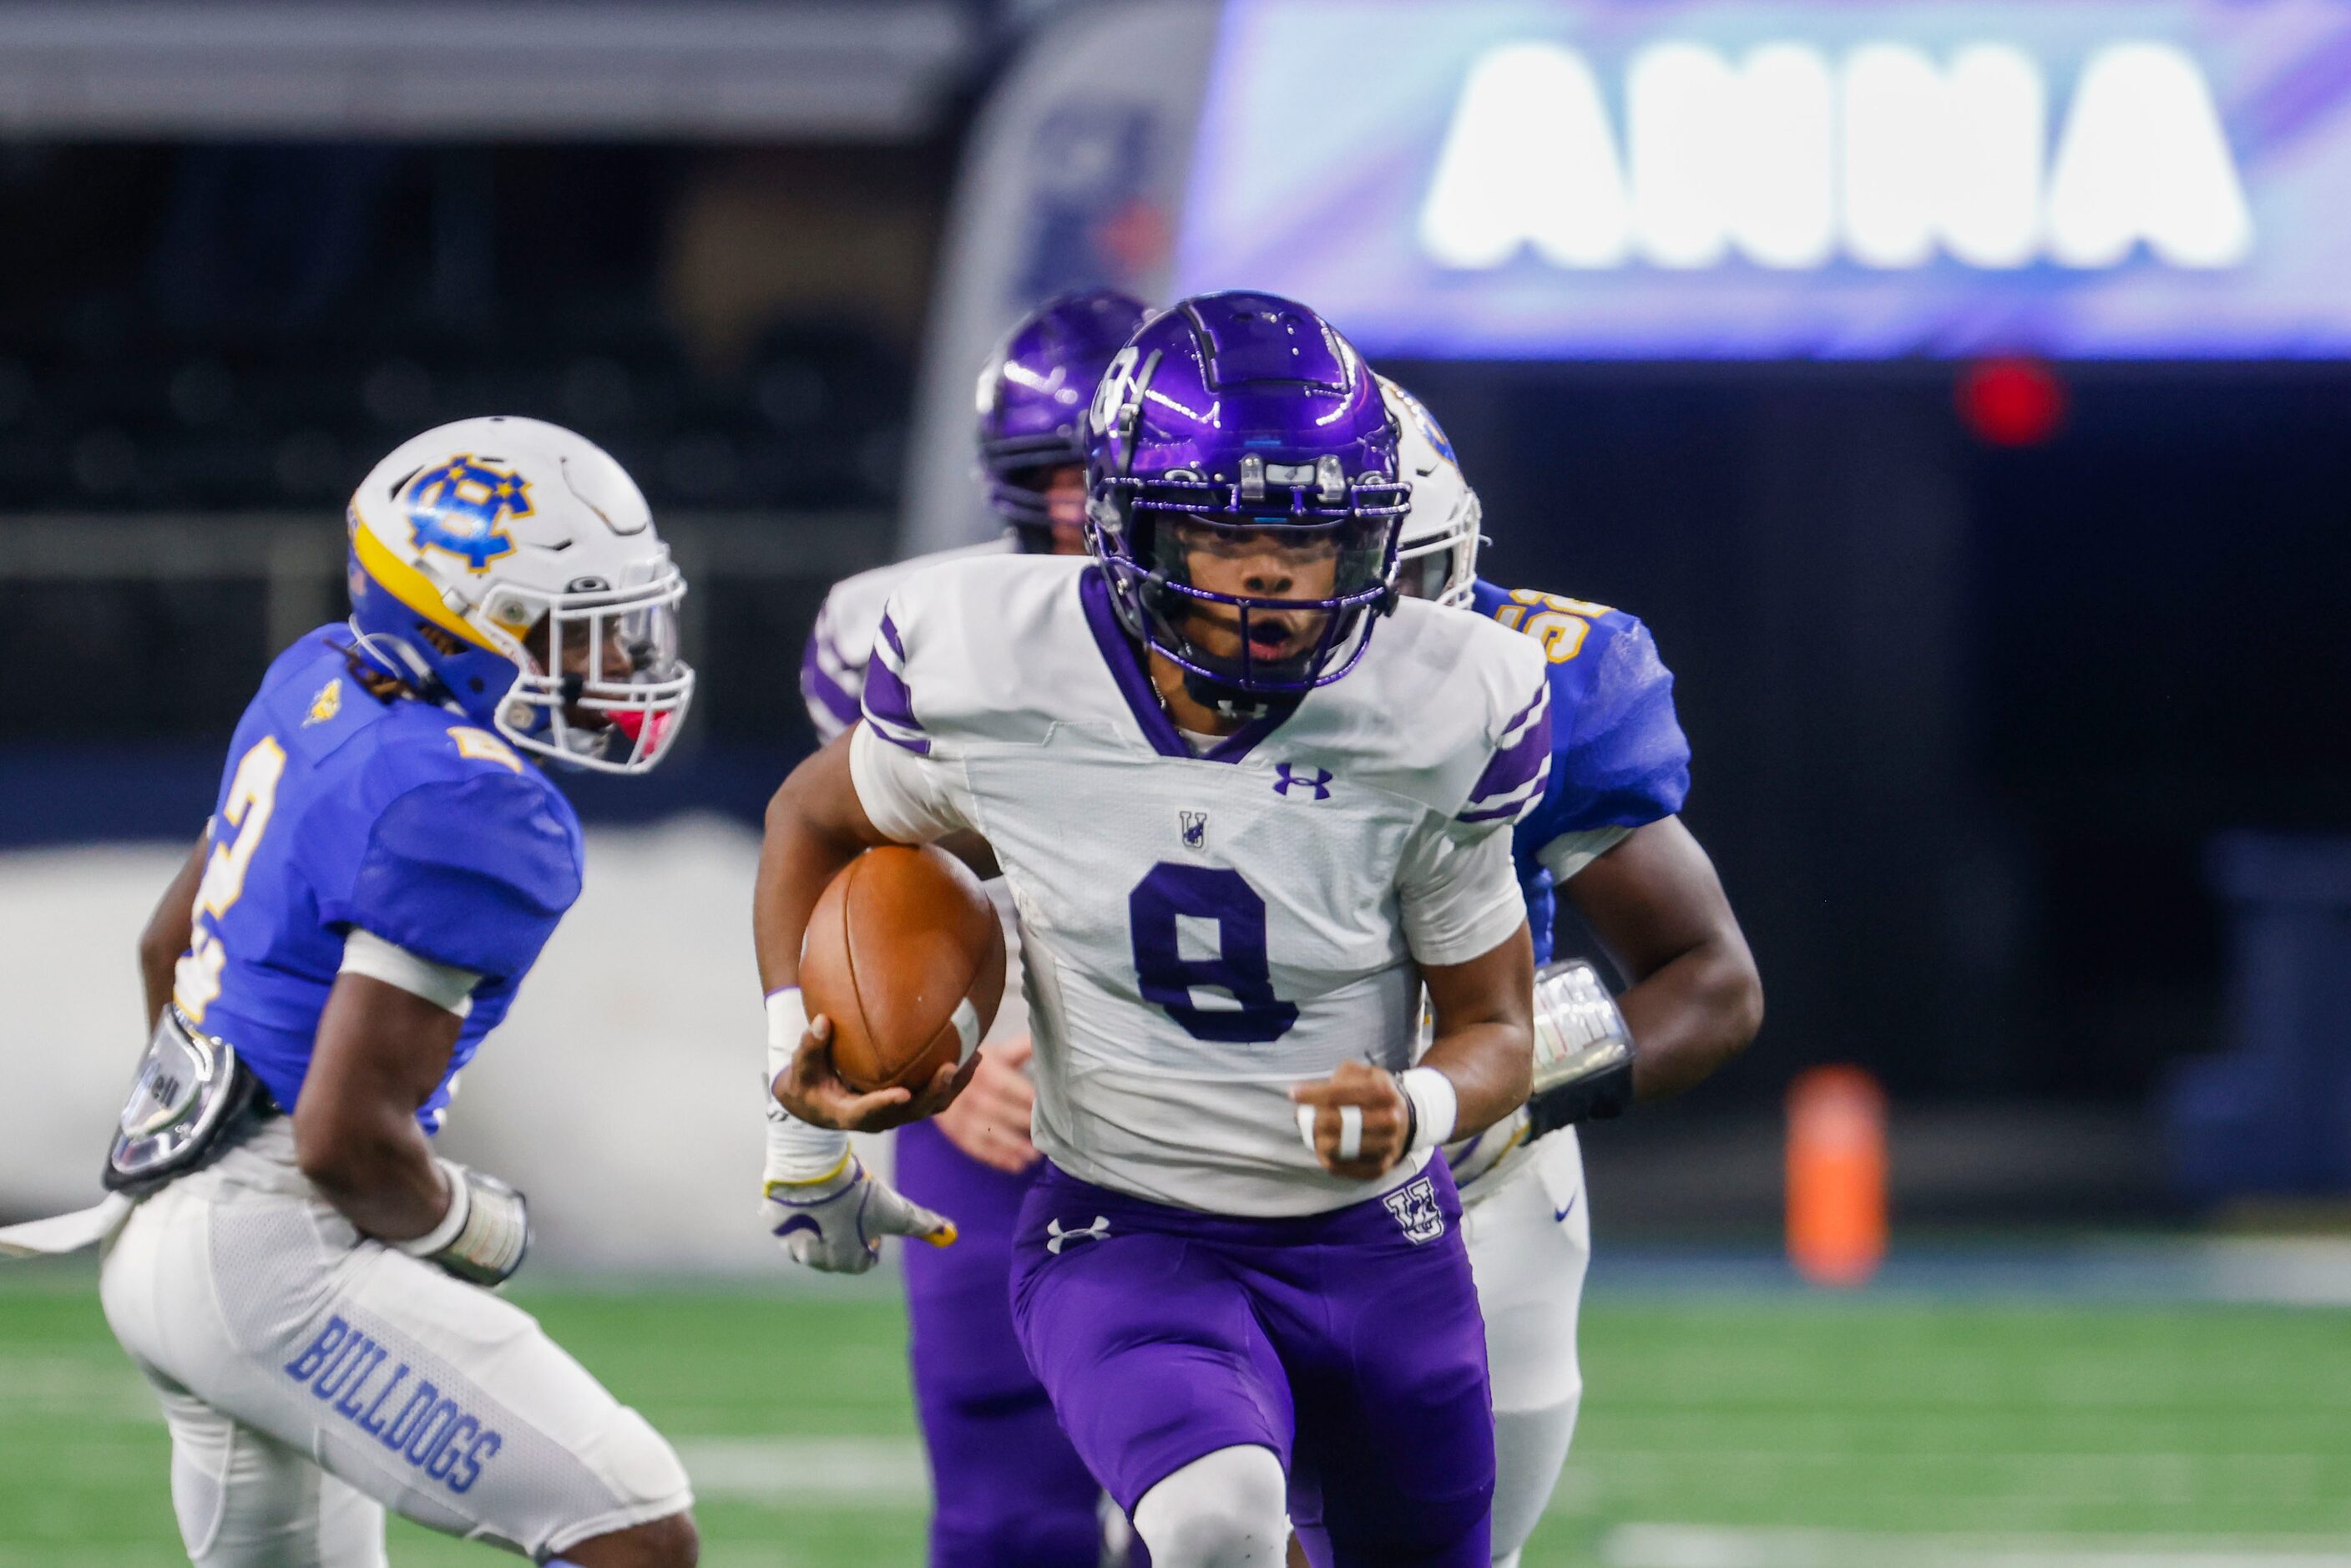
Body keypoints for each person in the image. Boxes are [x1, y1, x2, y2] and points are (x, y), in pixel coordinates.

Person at [754, 292, 1548, 1567]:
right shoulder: (990, 657)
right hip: (1127, 1221)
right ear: (1130, 522)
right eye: (1229, 532)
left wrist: (1420, 1105)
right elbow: (811, 816)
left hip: (1378, 1241)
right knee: (1210, 1518)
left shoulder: (1445, 700)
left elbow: (1496, 1021)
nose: (1276, 576)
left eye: (1314, 536)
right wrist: (795, 1107)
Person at [2, 417, 701, 1566]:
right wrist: (467, 1221)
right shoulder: (473, 805)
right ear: (462, 625)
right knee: (630, 1523)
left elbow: (163, 946)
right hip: (269, 1247)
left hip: (159, 1226)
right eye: (579, 632)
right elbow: (342, 1140)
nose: (621, 665)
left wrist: (194, 1150)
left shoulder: (318, 676)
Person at [791, 286, 1150, 1568]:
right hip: (986, 1099)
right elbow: (866, 879)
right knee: (1004, 1504)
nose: (1086, 508)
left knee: (1238, 1497)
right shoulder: (910, 624)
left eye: (1111, 473)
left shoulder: (1267, 640)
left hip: (1206, 1084)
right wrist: (932, 1061)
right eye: (1059, 477)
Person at [1381, 379, 1764, 1568]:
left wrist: (1510, 1083)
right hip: (1213, 1159)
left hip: (1465, 1187)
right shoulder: (1123, 677)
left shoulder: (1542, 679)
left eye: (1392, 575)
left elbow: (1709, 976)